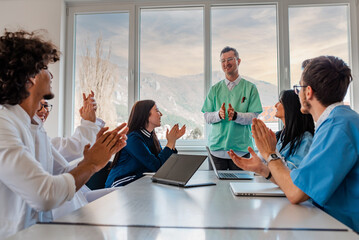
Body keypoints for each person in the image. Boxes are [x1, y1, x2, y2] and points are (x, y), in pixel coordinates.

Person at [0, 30, 128, 238]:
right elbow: (45, 194)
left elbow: (61, 173)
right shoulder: (4, 126)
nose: (50, 75)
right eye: (44, 68)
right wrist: (91, 164)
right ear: (30, 78)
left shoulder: (33, 127)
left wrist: (98, 154)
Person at [229, 56, 359, 232]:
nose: (297, 95)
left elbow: (295, 193)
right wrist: (263, 169)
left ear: (308, 92)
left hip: (342, 229)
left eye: (298, 88)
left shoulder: (338, 127)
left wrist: (271, 153)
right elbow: (301, 185)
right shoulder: (339, 121)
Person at [32, 92, 114, 219]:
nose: (43, 111)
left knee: (118, 194)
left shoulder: (41, 137)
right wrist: (91, 163)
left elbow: (63, 167)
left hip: (75, 201)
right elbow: (74, 147)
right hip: (63, 212)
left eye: (46, 106)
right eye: (39, 105)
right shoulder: (28, 138)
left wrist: (91, 160)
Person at [228, 90, 314, 181]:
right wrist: (261, 149)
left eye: (280, 102)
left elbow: (293, 174)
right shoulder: (278, 136)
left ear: (291, 107)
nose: (276, 105)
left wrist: (271, 151)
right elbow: (264, 165)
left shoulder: (306, 139)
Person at [202, 46, 262, 170]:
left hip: (241, 150)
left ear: (238, 61)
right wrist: (218, 115)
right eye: (223, 61)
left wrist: (236, 116)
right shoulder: (214, 89)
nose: (226, 63)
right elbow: (207, 116)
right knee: (216, 189)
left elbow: (253, 117)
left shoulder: (250, 88)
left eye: (229, 59)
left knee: (242, 188)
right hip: (216, 151)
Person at [106, 100, 185, 187]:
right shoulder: (132, 138)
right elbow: (156, 166)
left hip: (138, 183)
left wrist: (173, 141)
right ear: (146, 115)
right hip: (121, 184)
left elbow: (163, 164)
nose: (161, 114)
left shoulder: (151, 137)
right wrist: (170, 142)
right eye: (157, 110)